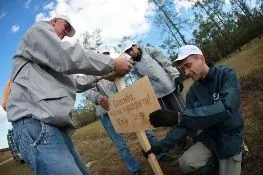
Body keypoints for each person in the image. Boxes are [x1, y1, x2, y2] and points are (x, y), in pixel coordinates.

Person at [7, 15, 133, 175]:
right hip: (35, 123)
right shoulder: (39, 30)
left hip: (51, 125)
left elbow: (75, 82)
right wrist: (112, 63)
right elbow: (65, 54)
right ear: (54, 21)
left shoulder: (48, 62)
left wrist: (101, 75)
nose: (66, 32)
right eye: (65, 26)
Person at [147, 45, 244, 175]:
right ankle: (213, 161)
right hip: (209, 138)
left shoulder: (226, 74)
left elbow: (227, 108)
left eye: (188, 65)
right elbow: (186, 124)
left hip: (230, 135)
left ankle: (241, 149)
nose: (186, 73)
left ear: (202, 59)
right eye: (183, 69)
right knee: (185, 163)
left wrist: (179, 117)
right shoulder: (192, 92)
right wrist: (161, 146)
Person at [76, 45, 171, 174]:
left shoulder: (114, 68)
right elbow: (86, 92)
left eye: (107, 53)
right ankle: (134, 169)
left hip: (123, 106)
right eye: (102, 54)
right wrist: (99, 98)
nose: (105, 56)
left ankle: (160, 154)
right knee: (120, 144)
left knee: (145, 129)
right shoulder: (91, 72)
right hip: (106, 114)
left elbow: (122, 84)